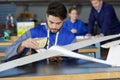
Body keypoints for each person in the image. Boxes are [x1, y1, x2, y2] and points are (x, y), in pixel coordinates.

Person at [5, 1, 75, 62]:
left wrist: (62, 59)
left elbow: (74, 62)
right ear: (47, 16)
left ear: (64, 20)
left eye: (58, 23)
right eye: (51, 22)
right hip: (37, 75)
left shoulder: (70, 38)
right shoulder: (33, 33)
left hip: (62, 76)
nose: (54, 27)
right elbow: (8, 55)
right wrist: (22, 45)